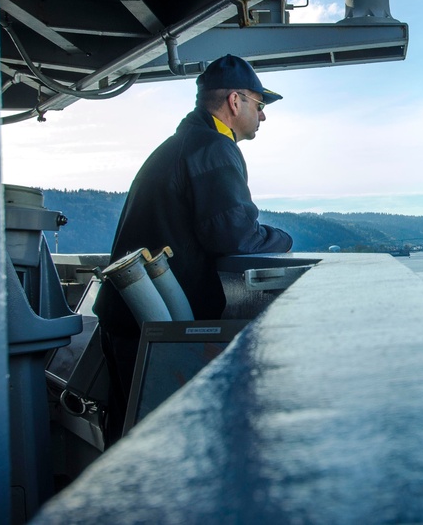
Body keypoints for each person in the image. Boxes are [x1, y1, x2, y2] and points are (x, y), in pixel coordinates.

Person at [95, 54, 293, 441]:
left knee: (130, 436)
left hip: (129, 316)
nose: (263, 116)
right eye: (259, 104)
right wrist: (283, 238)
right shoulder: (213, 148)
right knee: (159, 443)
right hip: (148, 323)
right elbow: (234, 235)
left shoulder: (183, 143)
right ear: (235, 102)